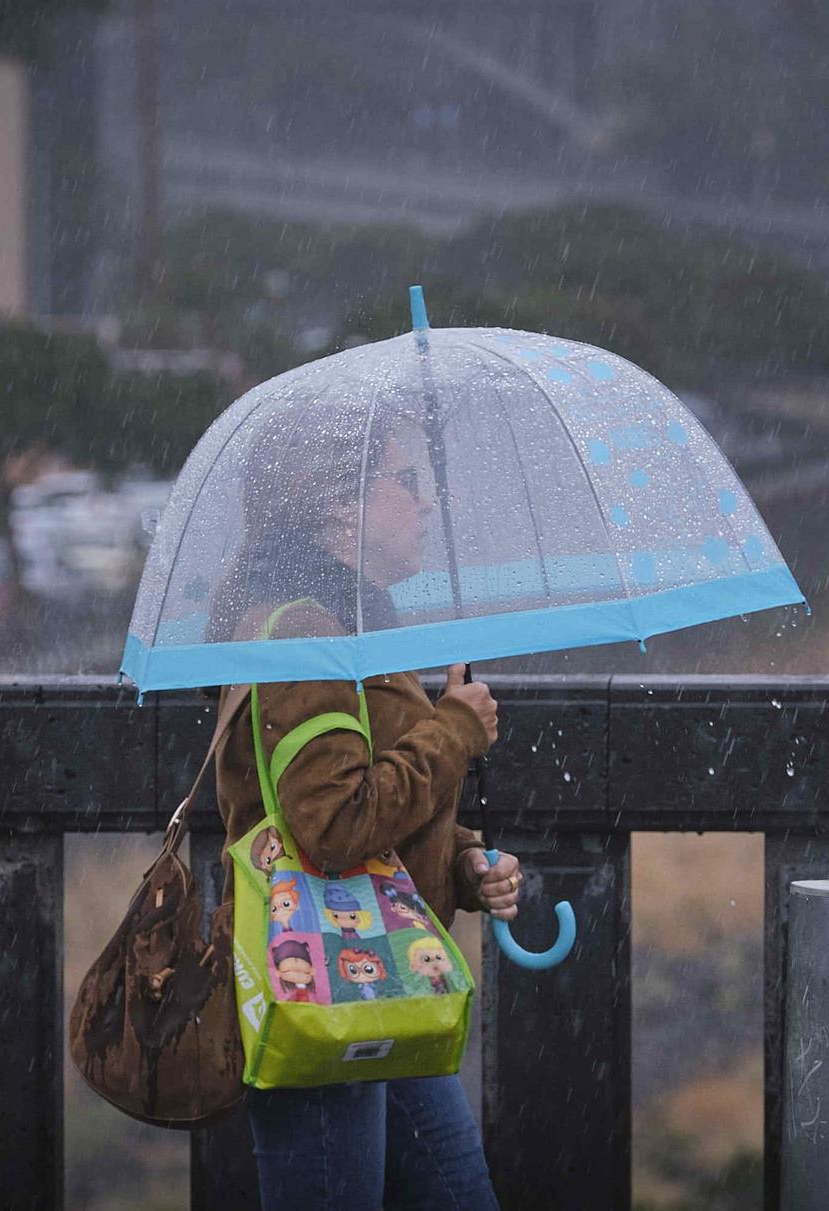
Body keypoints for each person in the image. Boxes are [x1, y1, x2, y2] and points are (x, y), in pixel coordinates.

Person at [206, 401, 520, 1210]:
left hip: (381, 983)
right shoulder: (303, 633)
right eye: (405, 480)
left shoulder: (355, 623)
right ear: (335, 502)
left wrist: (460, 863)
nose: (427, 501)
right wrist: (455, 729)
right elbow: (335, 826)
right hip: (321, 993)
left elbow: (370, 806)